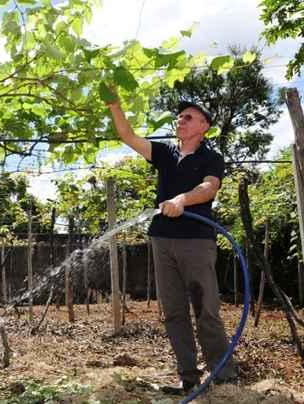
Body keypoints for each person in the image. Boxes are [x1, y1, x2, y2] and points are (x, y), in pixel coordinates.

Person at [106, 94, 238, 393]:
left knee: (207, 310)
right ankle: (188, 378)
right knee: (174, 311)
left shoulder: (211, 158)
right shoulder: (165, 153)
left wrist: (182, 199)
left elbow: (208, 188)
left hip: (196, 240)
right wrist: (114, 104)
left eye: (189, 117)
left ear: (204, 126)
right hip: (162, 239)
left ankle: (225, 378)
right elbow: (126, 135)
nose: (181, 120)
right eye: (179, 117)